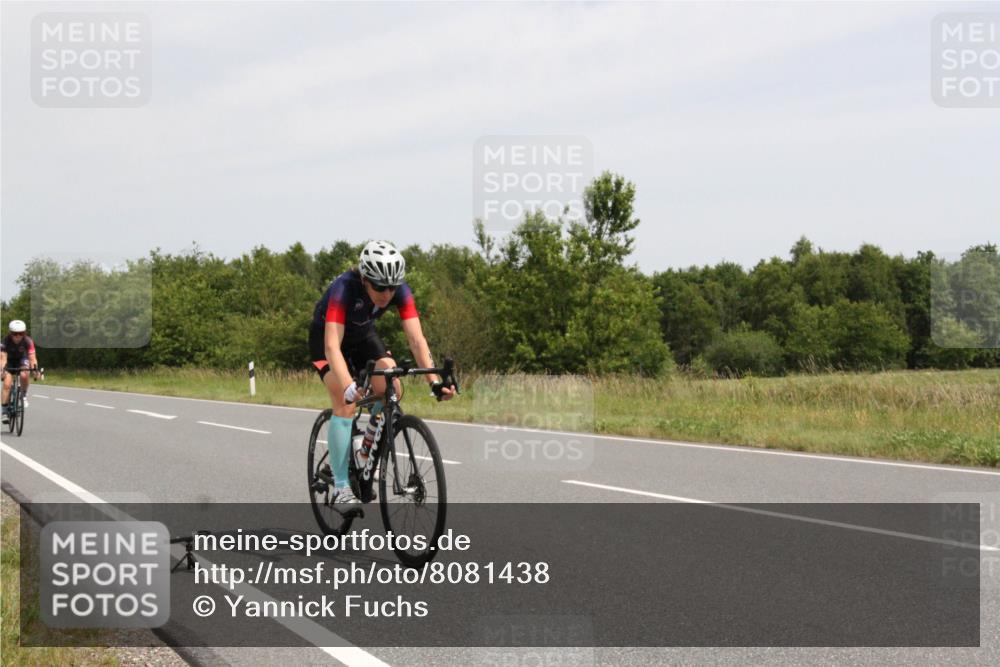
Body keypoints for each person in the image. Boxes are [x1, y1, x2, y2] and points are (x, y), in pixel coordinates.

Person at [309, 240, 454, 503]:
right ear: (365, 278)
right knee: (346, 403)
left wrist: (434, 382)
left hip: (363, 337)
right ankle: (341, 488)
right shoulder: (345, 288)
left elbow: (417, 340)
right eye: (379, 286)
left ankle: (365, 451)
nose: (387, 293)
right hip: (326, 341)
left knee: (392, 389)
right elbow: (332, 345)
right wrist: (348, 386)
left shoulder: (399, 290)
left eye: (392, 287)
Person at [1, 320, 40, 423]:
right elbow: (3, 358)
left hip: (22, 360)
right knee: (7, 384)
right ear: (10, 333)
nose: (18, 336)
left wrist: (35, 369)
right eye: (15, 334)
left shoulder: (28, 341)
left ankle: (24, 394)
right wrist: (2, 369)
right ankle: (4, 411)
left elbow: (32, 358)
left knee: (24, 374)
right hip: (8, 362)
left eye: (21, 333)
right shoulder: (5, 342)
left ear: (24, 333)